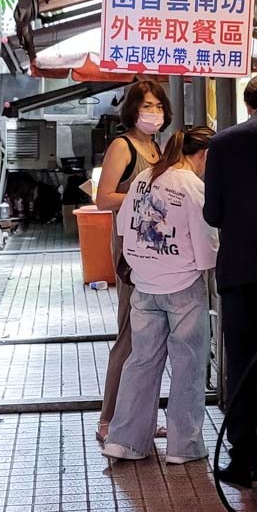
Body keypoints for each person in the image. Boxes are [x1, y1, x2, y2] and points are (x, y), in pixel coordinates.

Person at [103, 126, 218, 464]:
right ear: (204, 154)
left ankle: (124, 440)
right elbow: (205, 246)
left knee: (141, 362)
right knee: (188, 366)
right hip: (182, 287)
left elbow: (124, 227)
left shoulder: (144, 178)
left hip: (144, 285)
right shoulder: (193, 187)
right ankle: (184, 447)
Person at [202, 70, 257, 487]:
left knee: (243, 360)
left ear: (247, 104)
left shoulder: (224, 142)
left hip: (242, 268)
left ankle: (245, 459)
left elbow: (212, 214)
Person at [94, 78, 170, 443]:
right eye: (146, 106)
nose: (153, 113)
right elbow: (103, 198)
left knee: (152, 338)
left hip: (158, 250)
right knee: (129, 333)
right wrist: (146, 196)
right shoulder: (122, 147)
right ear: (132, 111)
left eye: (157, 107)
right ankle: (108, 418)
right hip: (132, 251)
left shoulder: (157, 148)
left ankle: (140, 416)